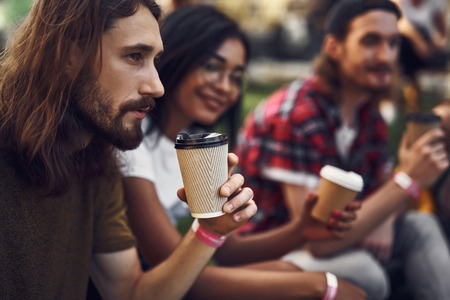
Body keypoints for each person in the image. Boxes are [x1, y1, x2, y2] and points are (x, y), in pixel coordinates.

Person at [0, 0, 258, 299]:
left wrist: (209, 230)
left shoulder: (97, 157)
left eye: (154, 61)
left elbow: (129, 292)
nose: (157, 86)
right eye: (135, 56)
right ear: (67, 55)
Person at [120, 5, 366, 300]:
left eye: (236, 77)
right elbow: (176, 269)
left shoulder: (197, 147)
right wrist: (319, 286)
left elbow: (229, 250)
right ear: (177, 57)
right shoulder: (132, 141)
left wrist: (302, 229)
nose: (225, 87)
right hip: (150, 286)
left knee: (288, 271)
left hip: (175, 280)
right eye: (212, 67)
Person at [235, 1, 450, 299]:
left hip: (338, 234)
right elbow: (319, 239)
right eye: (371, 41)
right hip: (269, 257)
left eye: (393, 43)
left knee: (420, 225)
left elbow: (384, 186)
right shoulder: (295, 115)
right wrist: (409, 181)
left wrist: (385, 217)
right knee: (366, 273)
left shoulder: (367, 114)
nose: (386, 56)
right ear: (334, 47)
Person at [392, 0, 448, 112]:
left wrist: (439, 42)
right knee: (400, 47)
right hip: (406, 46)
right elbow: (401, 23)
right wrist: (419, 43)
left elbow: (443, 32)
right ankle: (396, 103)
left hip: (427, 46)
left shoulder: (435, 2)